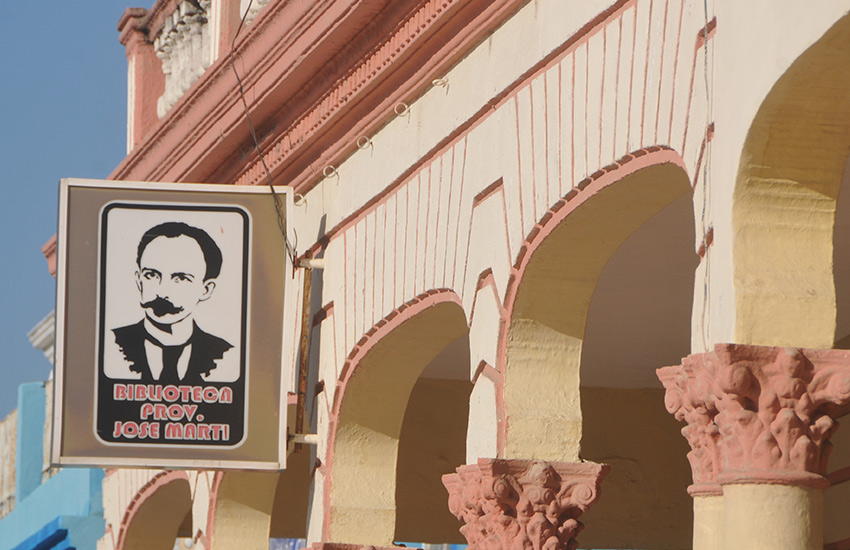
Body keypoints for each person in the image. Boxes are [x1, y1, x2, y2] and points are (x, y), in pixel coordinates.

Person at [110, 221, 233, 384]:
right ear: (139, 280)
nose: (162, 292)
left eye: (181, 278)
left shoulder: (225, 355)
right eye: (151, 275)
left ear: (206, 290)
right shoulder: (111, 344)